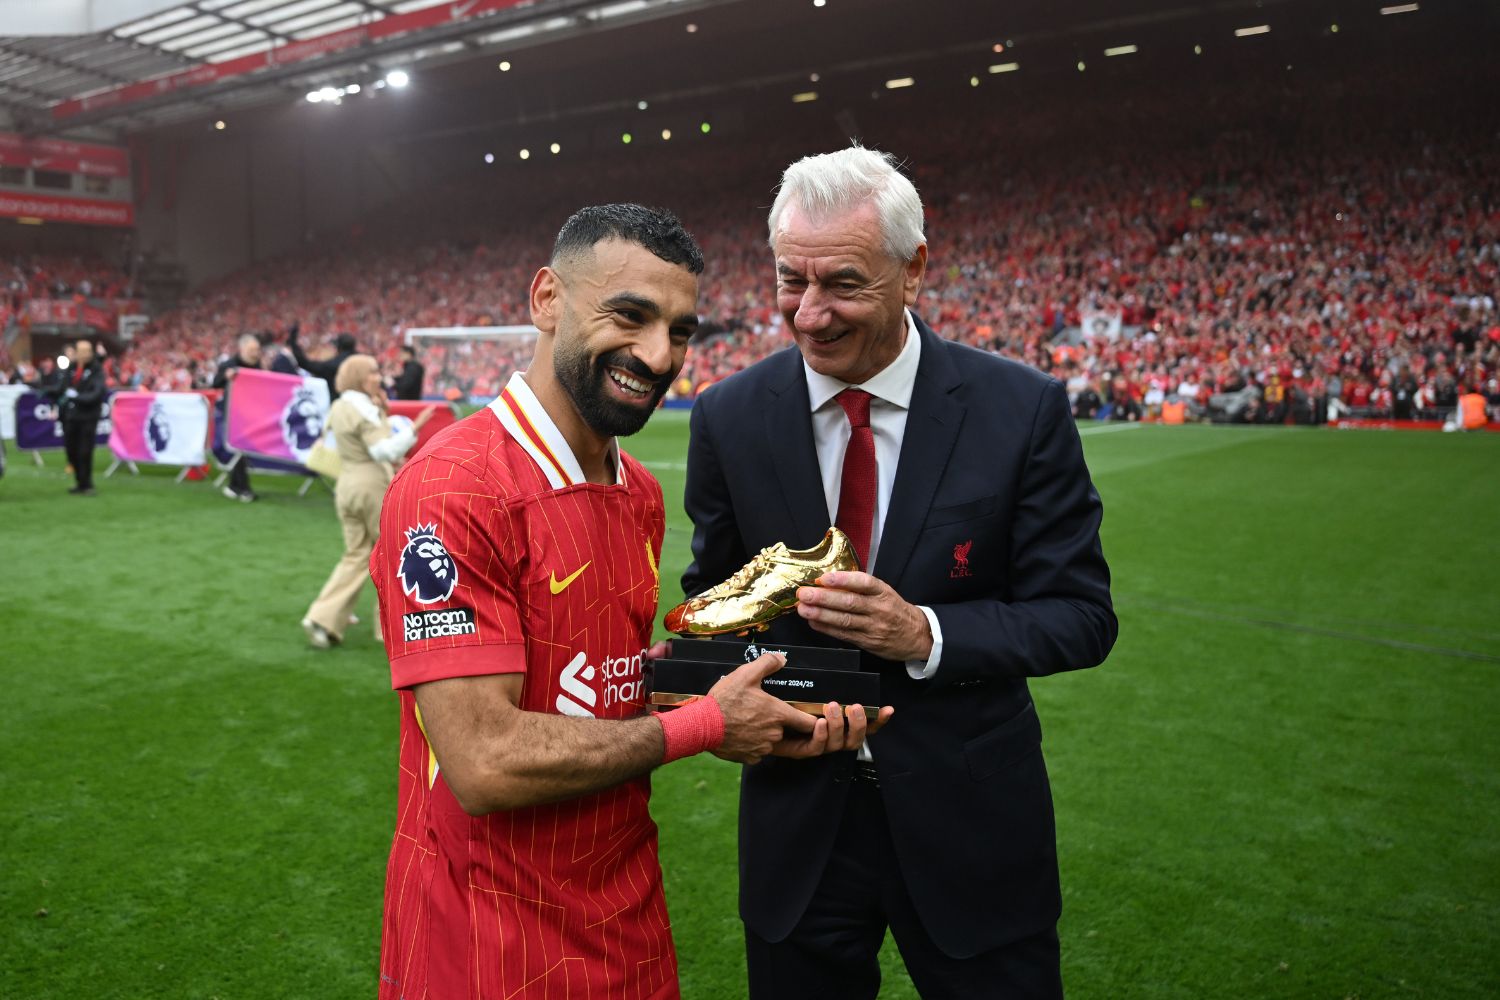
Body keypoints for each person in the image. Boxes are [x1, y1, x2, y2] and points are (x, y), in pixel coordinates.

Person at [368, 204, 849, 1000]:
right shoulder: (452, 490)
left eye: (681, 330)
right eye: (629, 316)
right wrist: (704, 723)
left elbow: (591, 680)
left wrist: (676, 680)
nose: (660, 356)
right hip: (486, 946)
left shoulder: (641, 492)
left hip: (627, 926)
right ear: (547, 298)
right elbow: (482, 762)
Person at [681, 147, 1117, 999]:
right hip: (797, 825)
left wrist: (926, 633)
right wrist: (720, 699)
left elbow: (1081, 614)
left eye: (842, 283)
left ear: (914, 268)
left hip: (972, 824)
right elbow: (720, 600)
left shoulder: (1019, 409)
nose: (808, 315)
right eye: (788, 281)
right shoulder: (729, 417)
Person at [301, 355, 432, 648]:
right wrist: (414, 428)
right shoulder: (363, 409)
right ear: (360, 376)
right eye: (373, 371)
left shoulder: (340, 406)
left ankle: (322, 618)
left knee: (357, 554)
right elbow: (382, 451)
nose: (379, 376)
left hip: (345, 484)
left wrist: (382, 411)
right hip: (371, 483)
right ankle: (388, 627)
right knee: (391, 554)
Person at [50, 339, 107, 496]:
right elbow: (61, 388)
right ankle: (79, 481)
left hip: (88, 417)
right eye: (81, 350)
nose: (84, 354)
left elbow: (96, 393)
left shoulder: (96, 370)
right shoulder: (72, 368)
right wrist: (45, 391)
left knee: (85, 451)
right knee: (71, 450)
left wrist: (77, 397)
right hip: (71, 417)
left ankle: (86, 484)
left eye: (87, 350)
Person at [212, 333, 262, 502]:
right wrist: (226, 377)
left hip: (250, 413)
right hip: (233, 413)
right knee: (239, 449)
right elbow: (215, 383)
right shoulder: (229, 365)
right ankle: (244, 488)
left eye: (257, 349)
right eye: (252, 350)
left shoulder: (258, 365)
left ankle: (234, 486)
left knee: (242, 451)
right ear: (242, 349)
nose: (256, 353)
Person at [286, 322, 355, 395]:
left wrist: (293, 340)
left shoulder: (331, 366)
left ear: (338, 348)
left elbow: (305, 363)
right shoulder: (364, 362)